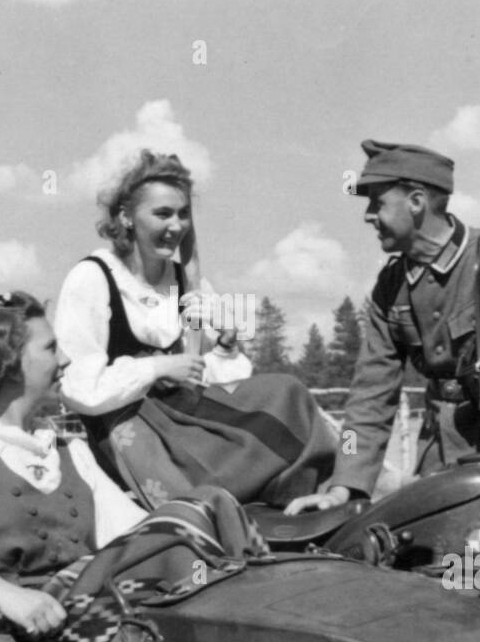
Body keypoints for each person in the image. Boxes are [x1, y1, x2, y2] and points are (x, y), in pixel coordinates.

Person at [0, 292, 263, 640]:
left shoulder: (69, 452)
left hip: (88, 617)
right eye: (51, 348)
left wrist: (193, 528)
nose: (66, 359)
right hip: (11, 637)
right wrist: (4, 595)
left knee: (204, 509)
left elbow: (134, 535)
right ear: (6, 362)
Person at [286, 140, 480, 514]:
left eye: (377, 202)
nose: (367, 216)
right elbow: (369, 394)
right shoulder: (389, 288)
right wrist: (345, 483)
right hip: (439, 458)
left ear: (416, 201)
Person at [54, 150, 337, 509]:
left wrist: (226, 346)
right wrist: (157, 368)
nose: (176, 226)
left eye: (183, 213)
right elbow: (77, 388)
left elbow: (208, 378)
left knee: (288, 391)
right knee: (197, 490)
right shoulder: (92, 278)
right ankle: (220, 501)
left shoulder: (188, 284)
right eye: (162, 214)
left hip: (188, 414)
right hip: (133, 427)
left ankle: (303, 498)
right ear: (126, 217)